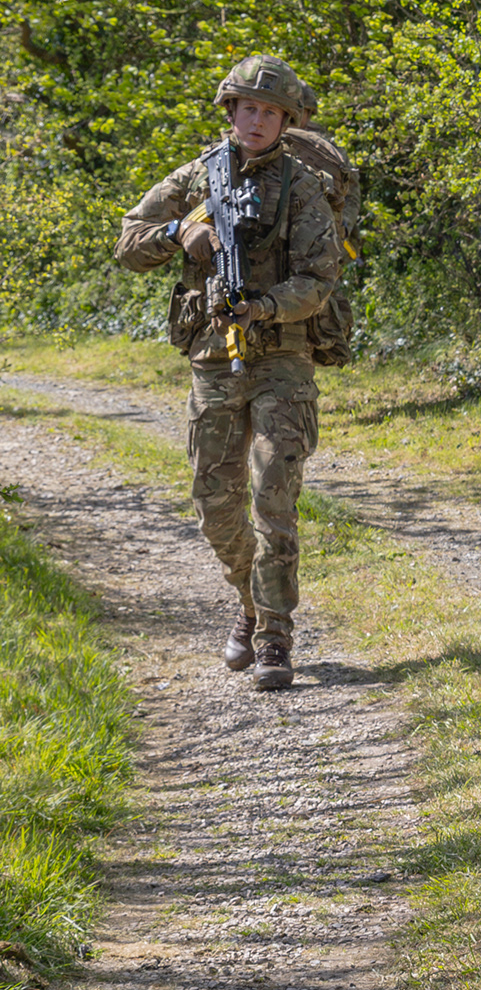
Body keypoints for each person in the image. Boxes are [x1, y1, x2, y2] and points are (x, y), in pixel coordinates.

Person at [115, 56, 344, 692]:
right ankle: (248, 600)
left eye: (271, 112)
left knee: (274, 496)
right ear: (231, 111)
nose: (258, 120)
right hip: (213, 356)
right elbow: (128, 242)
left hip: (282, 357)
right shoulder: (196, 176)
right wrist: (178, 231)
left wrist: (264, 306)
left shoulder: (303, 186)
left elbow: (319, 278)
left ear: (287, 121)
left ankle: (274, 636)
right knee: (214, 502)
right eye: (249, 108)